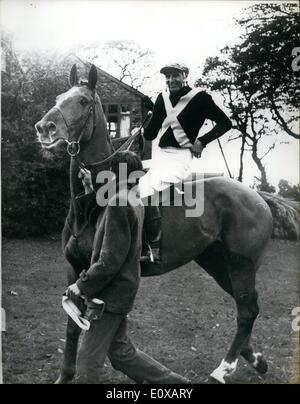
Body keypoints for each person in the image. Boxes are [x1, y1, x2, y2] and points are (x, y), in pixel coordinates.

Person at [66, 151, 190, 384]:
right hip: (122, 291)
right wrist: (90, 189)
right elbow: (102, 217)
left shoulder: (119, 203)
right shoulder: (131, 199)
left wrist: (81, 285)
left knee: (86, 366)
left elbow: (109, 260)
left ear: (115, 173)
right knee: (122, 354)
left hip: (108, 297)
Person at [139, 62, 232, 263]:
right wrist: (143, 127)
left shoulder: (200, 98)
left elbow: (226, 123)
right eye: (168, 76)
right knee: (127, 182)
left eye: (175, 76)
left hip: (180, 158)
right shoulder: (162, 99)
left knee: (146, 187)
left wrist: (202, 141)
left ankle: (153, 248)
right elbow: (151, 133)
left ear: (185, 76)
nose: (171, 80)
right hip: (159, 157)